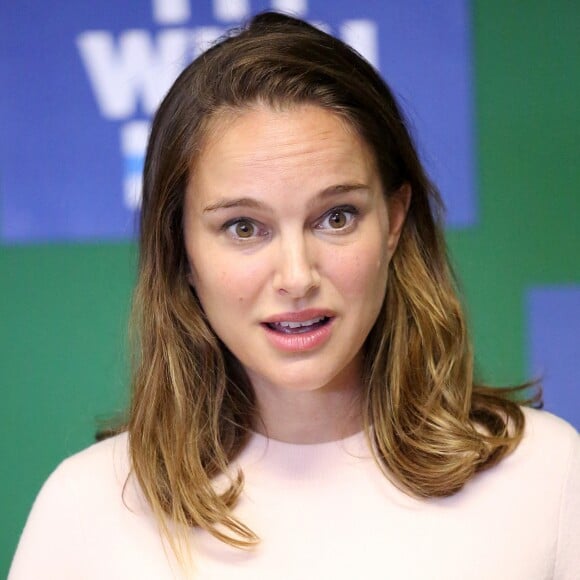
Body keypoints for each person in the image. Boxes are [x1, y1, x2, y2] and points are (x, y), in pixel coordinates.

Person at [9, 11, 579, 579]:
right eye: (243, 227)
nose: (297, 275)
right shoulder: (85, 510)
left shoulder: (548, 479)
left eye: (335, 216)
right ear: (179, 248)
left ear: (394, 221)